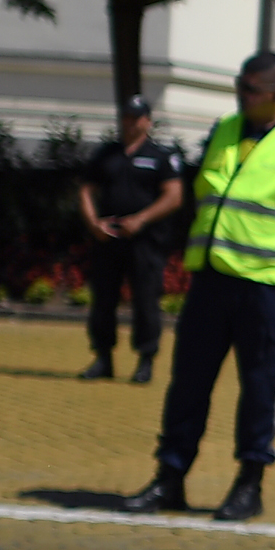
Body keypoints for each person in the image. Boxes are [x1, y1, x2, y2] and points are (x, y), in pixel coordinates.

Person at [125, 51, 275, 523]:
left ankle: (249, 484)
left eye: (250, 91)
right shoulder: (225, 128)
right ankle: (170, 478)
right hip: (211, 280)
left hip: (268, 288)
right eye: (238, 88)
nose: (240, 98)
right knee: (188, 384)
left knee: (260, 387)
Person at [74, 95, 184, 384]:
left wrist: (141, 219)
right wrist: (94, 223)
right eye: (126, 116)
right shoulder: (106, 154)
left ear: (147, 121)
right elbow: (86, 190)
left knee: (146, 301)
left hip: (145, 241)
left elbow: (174, 196)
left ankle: (145, 360)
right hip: (108, 239)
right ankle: (103, 357)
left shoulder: (161, 156)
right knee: (103, 300)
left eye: (137, 117)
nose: (130, 123)